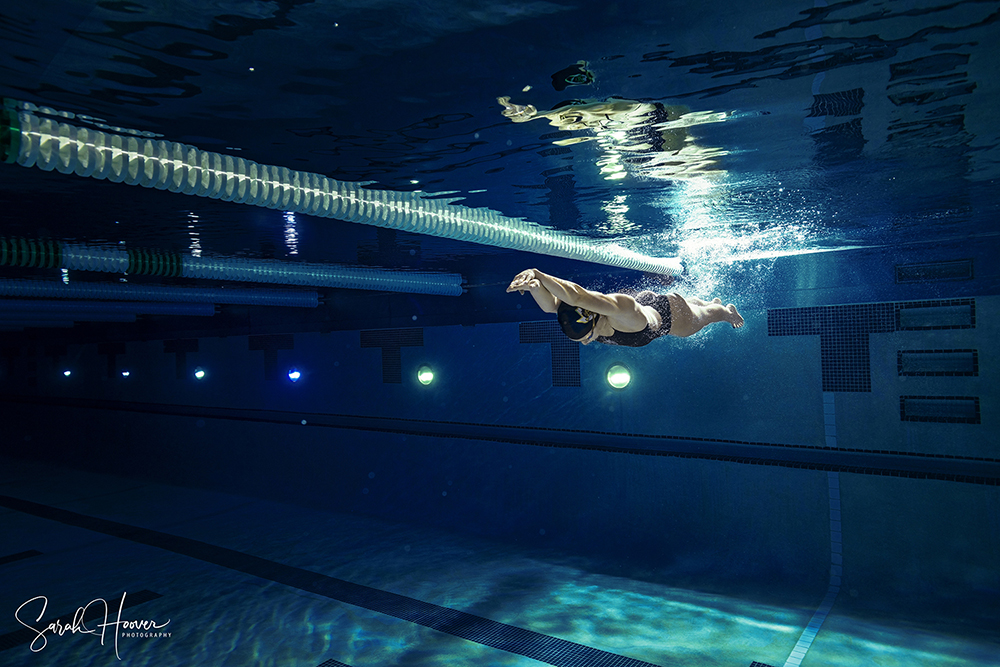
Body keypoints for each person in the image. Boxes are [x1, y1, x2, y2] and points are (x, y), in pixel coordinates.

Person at [507, 268, 743, 346]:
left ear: (593, 323)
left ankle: (726, 311)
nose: (588, 342)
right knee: (696, 304)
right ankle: (704, 302)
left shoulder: (621, 312)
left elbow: (578, 296)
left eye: (587, 337)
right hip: (648, 304)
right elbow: (552, 307)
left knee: (709, 314)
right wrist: (534, 285)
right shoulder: (586, 314)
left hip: (674, 317)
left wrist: (537, 271)